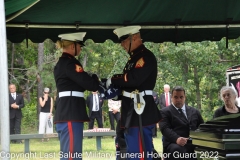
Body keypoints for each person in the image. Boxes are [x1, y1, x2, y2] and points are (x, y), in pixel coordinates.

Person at [106, 25, 162, 160]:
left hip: (140, 112)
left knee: (140, 152)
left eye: (124, 41)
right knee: (133, 151)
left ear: (135, 37)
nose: (122, 45)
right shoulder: (133, 58)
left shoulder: (145, 57)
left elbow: (133, 80)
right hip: (132, 111)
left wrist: (113, 79)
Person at [54, 32, 99, 160]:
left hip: (67, 112)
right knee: (72, 155)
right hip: (70, 113)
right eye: (80, 45)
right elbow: (90, 84)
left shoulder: (62, 63)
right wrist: (95, 79)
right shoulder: (70, 64)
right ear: (73, 46)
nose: (81, 48)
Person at [160, 86, 204, 160]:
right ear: (172, 97)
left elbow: (202, 127)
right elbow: (165, 129)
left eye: (181, 97)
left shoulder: (194, 111)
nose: (179, 100)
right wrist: (176, 138)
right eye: (176, 97)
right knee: (178, 151)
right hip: (174, 143)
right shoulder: (165, 112)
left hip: (193, 142)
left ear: (185, 97)